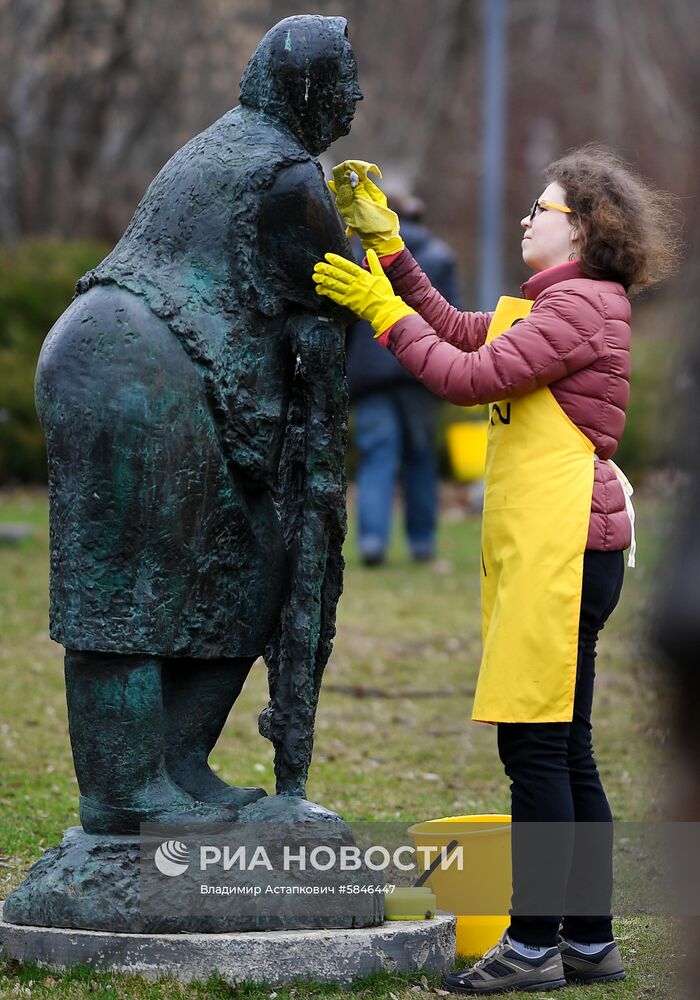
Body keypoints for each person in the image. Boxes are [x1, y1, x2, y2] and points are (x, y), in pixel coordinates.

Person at [314, 148, 679, 995]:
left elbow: (466, 378)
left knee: (537, 752)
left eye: (540, 206)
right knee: (567, 749)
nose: (526, 217)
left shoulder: (577, 309)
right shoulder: (559, 304)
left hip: (561, 551)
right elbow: (457, 327)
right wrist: (392, 252)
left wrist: (375, 308)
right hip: (562, 549)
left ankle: (531, 944)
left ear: (581, 228)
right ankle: (587, 942)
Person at [32, 15, 362, 835]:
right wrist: (371, 247)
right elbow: (339, 291)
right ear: (311, 89)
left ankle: (176, 765)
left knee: (252, 564)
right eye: (346, 84)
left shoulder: (244, 146)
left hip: (155, 369)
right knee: (127, 592)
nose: (355, 103)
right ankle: (121, 792)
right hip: (134, 369)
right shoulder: (284, 172)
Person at [345, 192, 462, 565]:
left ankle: (372, 543)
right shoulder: (442, 257)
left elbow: (347, 319)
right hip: (422, 374)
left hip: (370, 374)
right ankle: (422, 544)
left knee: (377, 457)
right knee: (420, 458)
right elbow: (452, 321)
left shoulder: (359, 255)